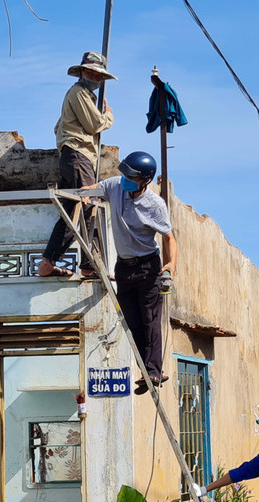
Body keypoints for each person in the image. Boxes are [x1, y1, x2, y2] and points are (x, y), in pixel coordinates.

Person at [83, 152, 177, 394]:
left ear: (144, 180)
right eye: (124, 173)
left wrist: (171, 265)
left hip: (148, 267)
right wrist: (82, 195)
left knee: (149, 321)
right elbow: (96, 188)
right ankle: (149, 371)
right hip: (124, 267)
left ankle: (153, 373)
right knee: (132, 323)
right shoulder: (116, 186)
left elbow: (168, 237)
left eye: (131, 176)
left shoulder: (155, 205)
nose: (125, 179)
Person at [38, 51, 115, 279]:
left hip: (75, 157)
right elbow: (95, 124)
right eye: (90, 72)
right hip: (78, 156)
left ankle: (70, 264)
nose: (94, 77)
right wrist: (108, 114)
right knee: (85, 207)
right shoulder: (79, 93)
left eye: (98, 75)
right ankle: (83, 264)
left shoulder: (80, 96)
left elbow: (58, 127)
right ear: (81, 72)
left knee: (75, 209)